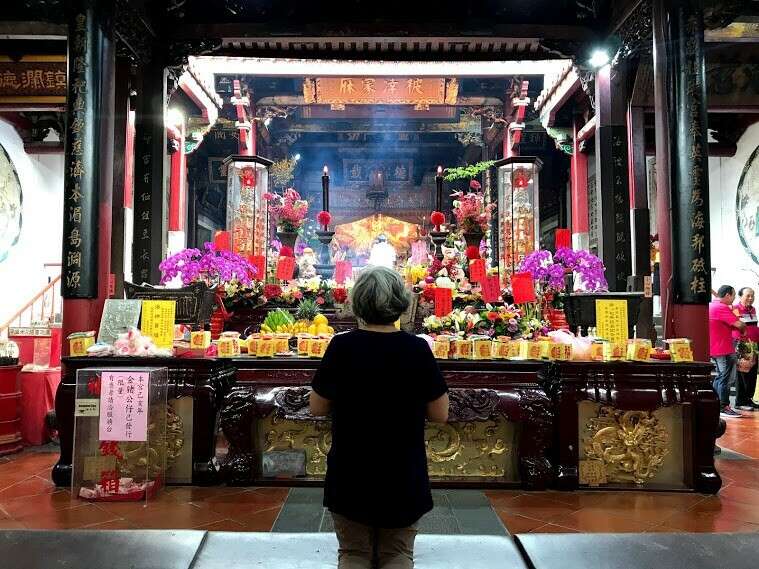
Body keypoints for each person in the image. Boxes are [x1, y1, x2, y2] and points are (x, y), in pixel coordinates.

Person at [310, 266, 449, 569]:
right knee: (398, 555)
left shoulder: (341, 346)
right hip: (403, 472)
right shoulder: (417, 349)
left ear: (357, 302)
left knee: (353, 554)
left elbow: (317, 407)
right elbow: (440, 414)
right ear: (402, 301)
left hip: (351, 470)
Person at [709, 285, 747, 418]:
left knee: (721, 377)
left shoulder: (713, 305)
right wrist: (744, 329)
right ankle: (723, 406)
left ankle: (715, 403)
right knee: (724, 377)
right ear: (727, 295)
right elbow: (739, 324)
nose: (734, 298)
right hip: (721, 348)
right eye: (734, 295)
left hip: (720, 347)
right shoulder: (721, 307)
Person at [734, 287, 758, 411]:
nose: (751, 298)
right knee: (742, 373)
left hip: (754, 346)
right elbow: (735, 328)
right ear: (740, 296)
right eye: (748, 295)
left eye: (752, 295)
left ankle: (749, 399)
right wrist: (742, 346)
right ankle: (740, 401)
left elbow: (754, 327)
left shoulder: (753, 309)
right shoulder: (735, 309)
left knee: (753, 373)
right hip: (743, 345)